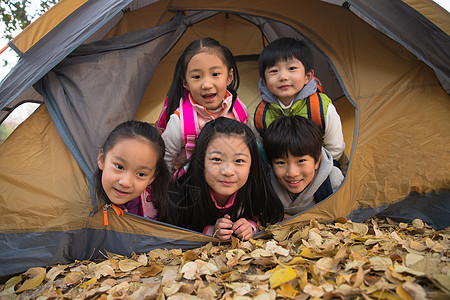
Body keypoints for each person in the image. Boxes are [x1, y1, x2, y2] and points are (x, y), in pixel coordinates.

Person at [164, 117, 284, 240]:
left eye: (239, 161)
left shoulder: (255, 187)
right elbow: (176, 226)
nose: (227, 171)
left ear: (252, 165)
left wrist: (251, 227)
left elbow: (267, 216)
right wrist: (210, 232)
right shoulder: (184, 189)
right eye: (217, 159)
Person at [155, 37, 249, 171]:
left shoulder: (238, 111)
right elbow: (165, 159)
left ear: (229, 77)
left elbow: (252, 144)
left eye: (215, 74)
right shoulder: (179, 122)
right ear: (185, 82)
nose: (206, 85)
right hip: (192, 185)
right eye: (197, 77)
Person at [254, 37, 345, 163]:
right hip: (281, 172)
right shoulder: (262, 113)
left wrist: (316, 169)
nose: (283, 77)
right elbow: (261, 150)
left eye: (291, 68)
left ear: (307, 76)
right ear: (264, 81)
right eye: (274, 71)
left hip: (321, 168)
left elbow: (336, 148)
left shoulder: (320, 107)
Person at [263, 115, 344, 218]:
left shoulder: (332, 181)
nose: (292, 173)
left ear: (317, 160)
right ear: (270, 164)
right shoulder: (267, 188)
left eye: (301, 161)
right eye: (281, 163)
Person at [94, 120, 171, 220]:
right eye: (119, 167)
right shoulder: (82, 203)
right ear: (101, 159)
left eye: (141, 174)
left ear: (152, 178)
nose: (126, 182)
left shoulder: (157, 202)